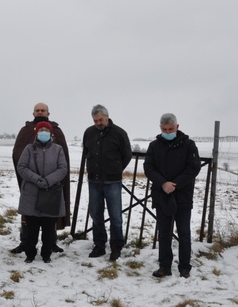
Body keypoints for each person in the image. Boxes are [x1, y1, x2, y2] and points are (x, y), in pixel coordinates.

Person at [143, 113, 201, 278]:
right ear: (160, 128)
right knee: (164, 233)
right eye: (164, 129)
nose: (168, 132)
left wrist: (175, 184)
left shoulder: (189, 145)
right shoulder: (154, 146)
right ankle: (164, 266)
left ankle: (184, 267)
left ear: (177, 127)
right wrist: (163, 183)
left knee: (183, 232)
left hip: (182, 195)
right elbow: (149, 167)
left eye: (170, 129)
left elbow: (193, 167)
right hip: (162, 195)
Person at [11, 102, 70, 254]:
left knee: (50, 212)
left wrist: (51, 179)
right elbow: (17, 154)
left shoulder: (56, 130)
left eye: (43, 110)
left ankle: (51, 243)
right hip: (31, 182)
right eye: (37, 110)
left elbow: (63, 161)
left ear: (48, 113)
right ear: (33, 113)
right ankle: (25, 242)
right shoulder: (26, 131)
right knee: (29, 212)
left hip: (52, 184)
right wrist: (33, 176)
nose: (40, 112)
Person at [82, 104, 132, 261]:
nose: (98, 123)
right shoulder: (89, 133)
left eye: (100, 120)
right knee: (96, 214)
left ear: (107, 117)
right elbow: (86, 152)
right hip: (94, 181)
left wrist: (116, 169)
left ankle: (116, 245)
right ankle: (99, 245)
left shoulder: (119, 133)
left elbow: (127, 155)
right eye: (95, 120)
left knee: (115, 216)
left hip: (113, 181)